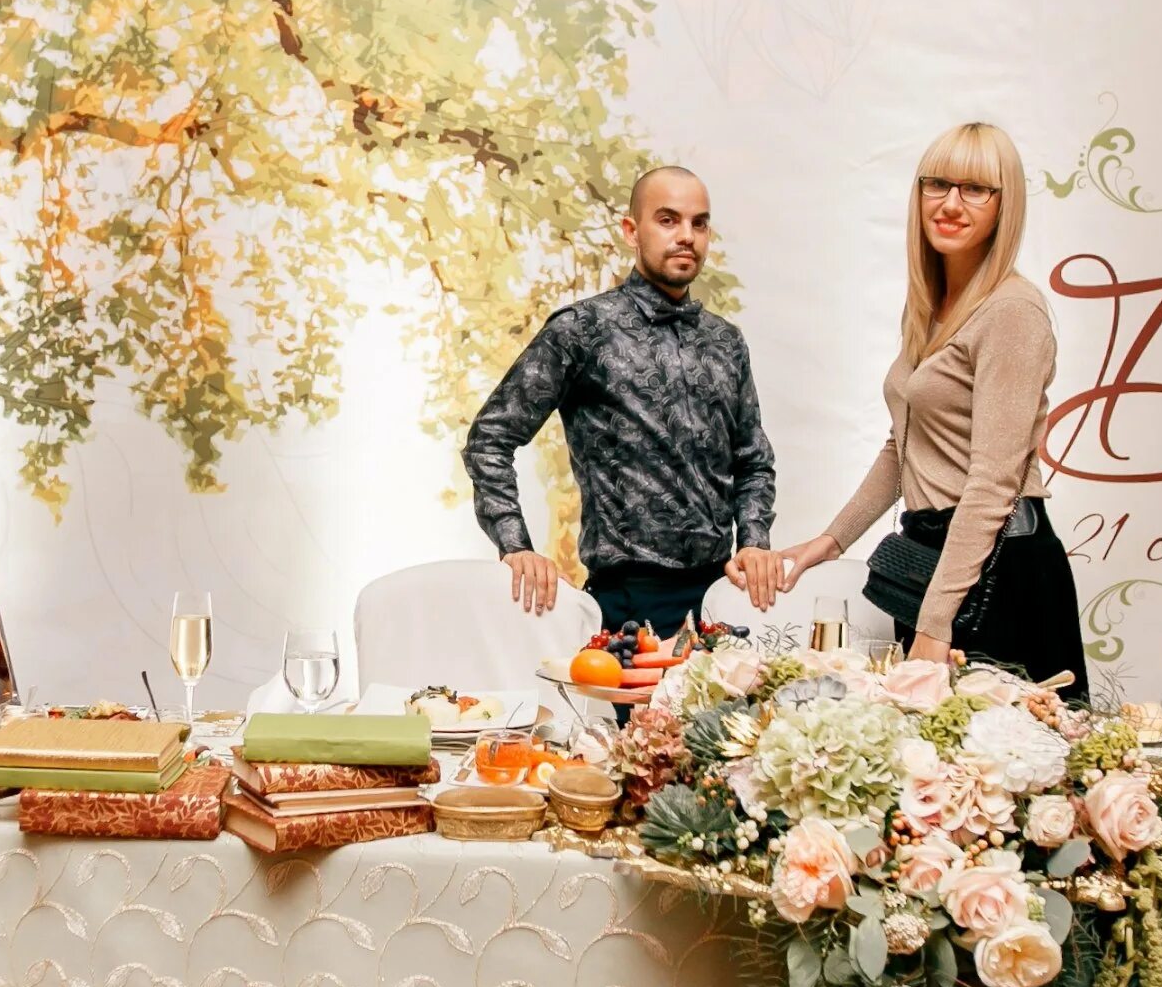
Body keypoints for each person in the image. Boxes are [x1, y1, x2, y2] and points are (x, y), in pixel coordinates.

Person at [765, 123, 1088, 690]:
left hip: (997, 574)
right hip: (933, 564)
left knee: (1004, 744)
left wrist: (935, 625)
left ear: (1005, 205)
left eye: (976, 189)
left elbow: (992, 483)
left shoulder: (1012, 312)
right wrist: (831, 541)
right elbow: (904, 447)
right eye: (937, 184)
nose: (951, 204)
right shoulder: (933, 306)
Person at [463, 167, 785, 636]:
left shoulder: (725, 341)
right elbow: (489, 439)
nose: (686, 236)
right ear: (632, 231)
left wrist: (755, 542)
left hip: (723, 603)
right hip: (626, 605)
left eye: (698, 223)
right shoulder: (583, 330)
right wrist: (515, 547)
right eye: (668, 220)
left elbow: (753, 461)